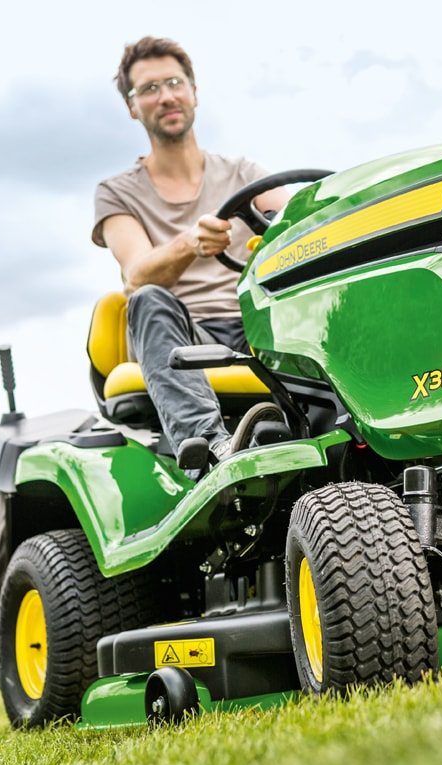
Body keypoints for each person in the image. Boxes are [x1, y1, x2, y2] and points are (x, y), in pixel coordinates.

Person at [91, 36, 289, 463]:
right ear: (131, 106)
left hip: (263, 326)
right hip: (188, 336)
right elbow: (137, 274)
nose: (165, 97)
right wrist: (189, 244)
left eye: (174, 83)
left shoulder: (244, 173)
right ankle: (211, 449)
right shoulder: (116, 193)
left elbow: (299, 228)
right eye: (148, 89)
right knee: (147, 299)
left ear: (193, 92)